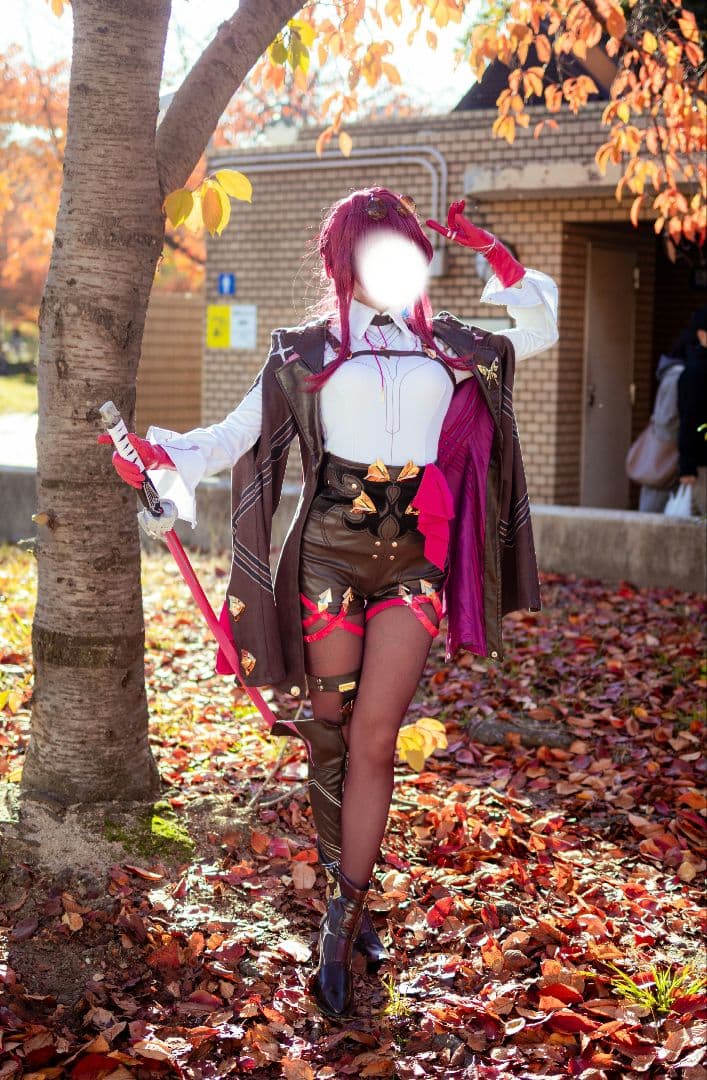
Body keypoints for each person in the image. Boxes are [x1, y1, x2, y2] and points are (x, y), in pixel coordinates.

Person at [99, 188, 558, 1018]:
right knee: (328, 733)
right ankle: (349, 909)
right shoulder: (304, 352)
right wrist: (159, 457)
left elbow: (541, 326)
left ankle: (340, 924)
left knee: (374, 737)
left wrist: (494, 254)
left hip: (414, 563)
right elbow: (231, 438)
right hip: (327, 562)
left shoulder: (450, 345)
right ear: (344, 263)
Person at [677, 306, 707, 517]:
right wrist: (687, 465)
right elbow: (689, 418)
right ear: (702, 334)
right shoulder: (696, 371)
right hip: (702, 463)